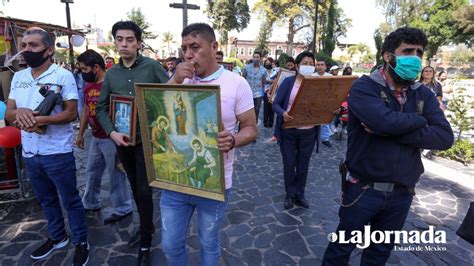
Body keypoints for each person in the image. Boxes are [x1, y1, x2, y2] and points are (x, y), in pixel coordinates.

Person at [322, 27, 454, 265]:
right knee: (341, 250)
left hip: (402, 193)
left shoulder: (422, 93)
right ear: (387, 56)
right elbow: (381, 121)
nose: (414, 58)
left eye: (419, 52)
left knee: (378, 254)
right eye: (407, 51)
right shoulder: (364, 87)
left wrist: (391, 130)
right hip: (363, 189)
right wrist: (420, 120)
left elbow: (444, 137)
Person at [164, 22, 257, 265]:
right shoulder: (177, 80)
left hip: (214, 182)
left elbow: (251, 129)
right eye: (184, 48)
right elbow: (157, 113)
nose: (188, 54)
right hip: (175, 180)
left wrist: (234, 139)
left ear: (214, 47)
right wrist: (174, 80)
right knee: (170, 244)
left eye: (195, 47)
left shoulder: (236, 84)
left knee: (209, 243)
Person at [5, 27, 89, 265]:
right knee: (46, 200)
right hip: (30, 153)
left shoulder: (62, 76)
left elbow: (71, 113)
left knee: (70, 200)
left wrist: (40, 120)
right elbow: (10, 112)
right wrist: (19, 112)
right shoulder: (18, 77)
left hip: (57, 153)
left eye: (33, 46)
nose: (26, 50)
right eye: (24, 45)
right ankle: (58, 237)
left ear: (48, 50)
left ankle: (81, 241)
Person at [95, 21, 169, 265]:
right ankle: (146, 225)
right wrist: (112, 132)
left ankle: (146, 240)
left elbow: (170, 95)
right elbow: (102, 108)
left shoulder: (153, 67)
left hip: (149, 142)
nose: (124, 44)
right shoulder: (112, 74)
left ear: (138, 42)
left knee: (145, 189)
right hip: (123, 143)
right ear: (115, 41)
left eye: (129, 39)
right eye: (119, 39)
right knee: (135, 186)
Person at [76, 49, 133, 225]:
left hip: (111, 138)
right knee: (92, 170)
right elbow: (86, 110)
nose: (82, 73)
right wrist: (80, 133)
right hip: (95, 137)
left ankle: (123, 207)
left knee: (115, 174)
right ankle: (90, 202)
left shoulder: (112, 84)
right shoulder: (88, 86)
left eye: (84, 69)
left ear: (96, 67)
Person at [272, 51, 319, 210]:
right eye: (305, 63)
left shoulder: (318, 84)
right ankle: (289, 194)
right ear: (297, 66)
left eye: (311, 64)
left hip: (309, 133)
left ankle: (300, 194)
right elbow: (276, 104)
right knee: (289, 163)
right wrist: (283, 113)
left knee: (303, 164)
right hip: (289, 131)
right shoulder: (288, 82)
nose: (308, 66)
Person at [312, 59, 333, 147]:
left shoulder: (330, 76)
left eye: (321, 65)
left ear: (325, 67)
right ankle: (312, 138)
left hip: (326, 100)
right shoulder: (312, 76)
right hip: (314, 101)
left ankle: (325, 138)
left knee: (325, 121)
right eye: (318, 65)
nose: (319, 66)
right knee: (313, 120)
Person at [243, 51, 267, 124]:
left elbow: (263, 82)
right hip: (247, 93)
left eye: (257, 57)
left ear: (260, 58)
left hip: (258, 94)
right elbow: (243, 79)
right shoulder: (246, 68)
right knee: (246, 111)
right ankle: (245, 126)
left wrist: (262, 90)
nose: (255, 59)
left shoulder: (263, 70)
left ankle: (254, 127)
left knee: (256, 111)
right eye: (254, 57)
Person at [263, 57, 275, 128]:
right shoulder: (263, 71)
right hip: (265, 91)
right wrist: (271, 81)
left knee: (272, 107)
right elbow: (264, 80)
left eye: (269, 63)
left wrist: (271, 81)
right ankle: (265, 122)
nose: (267, 64)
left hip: (273, 91)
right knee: (266, 107)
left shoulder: (274, 70)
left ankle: (271, 122)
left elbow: (277, 79)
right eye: (266, 63)